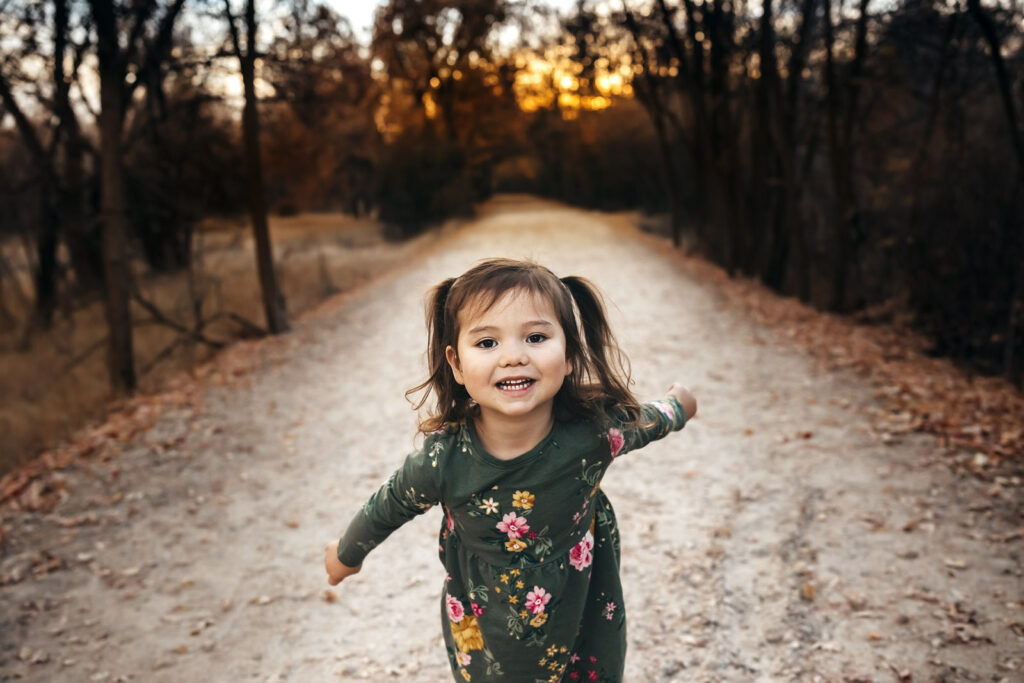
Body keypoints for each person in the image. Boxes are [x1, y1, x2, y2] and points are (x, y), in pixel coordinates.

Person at [324, 258, 697, 682]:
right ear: (457, 364)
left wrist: (678, 407)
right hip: (489, 614)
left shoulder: (592, 434)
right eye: (487, 344)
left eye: (536, 337)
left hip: (583, 597)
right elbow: (388, 505)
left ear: (570, 355)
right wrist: (345, 555)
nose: (514, 357)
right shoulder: (443, 460)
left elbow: (643, 422)